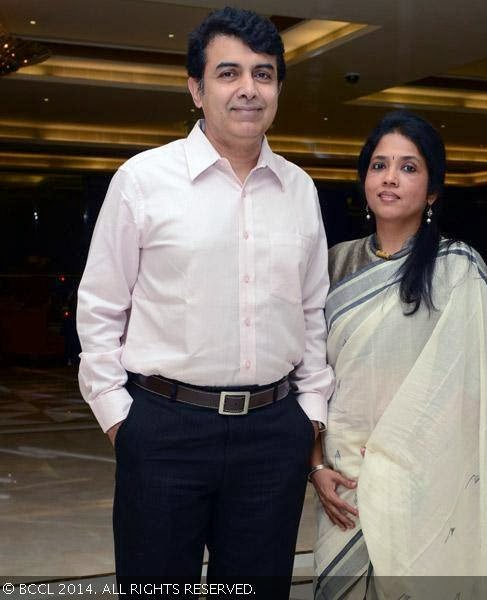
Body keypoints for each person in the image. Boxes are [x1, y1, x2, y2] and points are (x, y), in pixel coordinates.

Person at [76, 7, 333, 596]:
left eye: (264, 74)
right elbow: (99, 306)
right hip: (164, 429)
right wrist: (121, 419)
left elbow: (312, 310)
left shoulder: (299, 189)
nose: (249, 88)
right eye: (228, 73)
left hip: (274, 434)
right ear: (196, 89)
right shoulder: (143, 180)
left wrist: (310, 414)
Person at [309, 111, 487, 599]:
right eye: (379, 166)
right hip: (343, 478)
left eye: (408, 167)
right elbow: (311, 374)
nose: (390, 179)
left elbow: (479, 388)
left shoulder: (457, 268)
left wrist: (411, 452)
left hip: (426, 475)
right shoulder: (334, 264)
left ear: (433, 190)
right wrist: (314, 464)